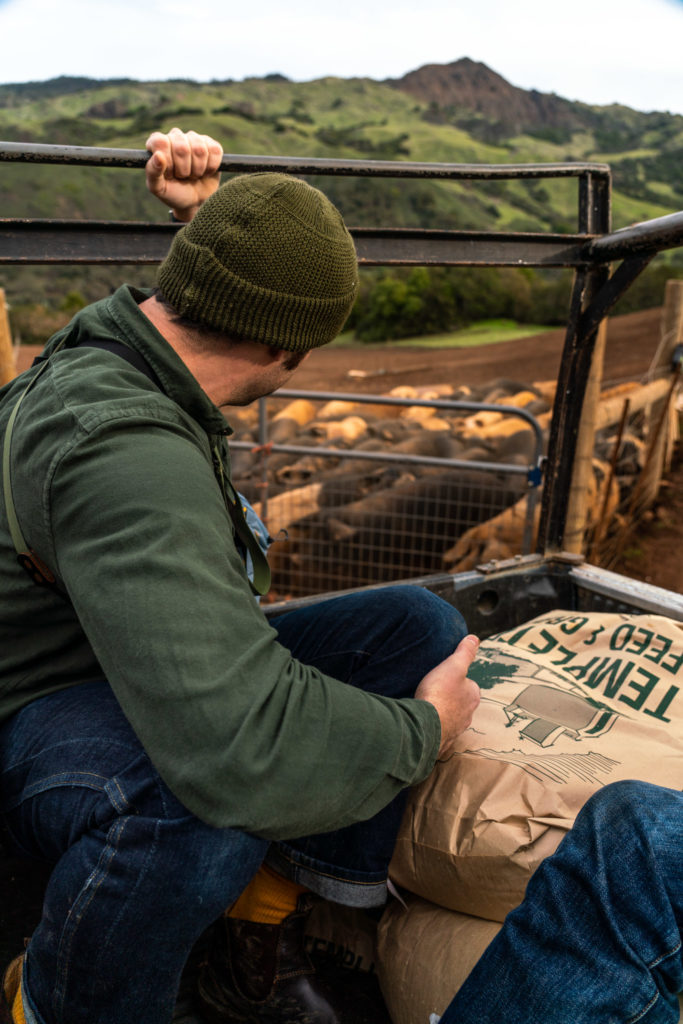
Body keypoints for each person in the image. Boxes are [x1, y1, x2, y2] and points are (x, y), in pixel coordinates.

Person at [0, 128, 481, 1024]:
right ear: (288, 350)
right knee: (193, 812)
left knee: (411, 628)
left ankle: (268, 928)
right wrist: (423, 731)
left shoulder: (124, 344)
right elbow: (234, 749)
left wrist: (205, 226)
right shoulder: (124, 451)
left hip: (113, 650)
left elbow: (193, 302)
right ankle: (55, 999)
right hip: (33, 705)